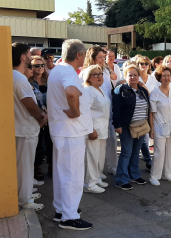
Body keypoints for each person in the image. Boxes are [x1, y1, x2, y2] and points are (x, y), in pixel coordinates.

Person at [47, 39, 93, 230]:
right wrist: (75, 112)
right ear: (79, 55)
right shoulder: (68, 71)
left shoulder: (58, 69)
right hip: (70, 132)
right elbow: (72, 93)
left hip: (62, 131)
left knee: (62, 174)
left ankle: (62, 210)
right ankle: (69, 217)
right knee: (72, 176)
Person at [12, 43, 47, 211]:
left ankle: (24, 194)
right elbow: (29, 104)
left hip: (22, 129)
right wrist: (42, 116)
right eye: (28, 54)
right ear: (22, 57)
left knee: (23, 166)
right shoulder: (19, 78)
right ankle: (24, 201)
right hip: (25, 130)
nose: (31, 58)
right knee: (25, 167)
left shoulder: (14, 76)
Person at [80, 46, 117, 176]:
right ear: (93, 57)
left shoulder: (106, 71)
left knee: (108, 143)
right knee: (93, 150)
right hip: (95, 116)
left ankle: (105, 170)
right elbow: (84, 104)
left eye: (103, 56)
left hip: (107, 111)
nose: (103, 59)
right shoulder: (86, 73)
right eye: (100, 57)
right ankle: (92, 178)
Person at [112, 65, 150, 190]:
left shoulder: (143, 90)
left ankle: (134, 175)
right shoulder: (120, 90)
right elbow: (116, 109)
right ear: (125, 76)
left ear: (139, 76)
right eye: (130, 75)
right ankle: (121, 180)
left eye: (135, 75)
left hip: (142, 126)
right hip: (126, 126)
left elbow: (148, 108)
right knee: (126, 152)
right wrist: (117, 125)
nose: (133, 77)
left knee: (135, 152)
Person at [83, 65, 111, 193]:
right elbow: (85, 111)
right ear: (89, 78)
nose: (99, 76)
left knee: (100, 156)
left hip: (103, 128)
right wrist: (90, 129)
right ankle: (90, 183)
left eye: (100, 74)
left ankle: (97, 177)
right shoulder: (88, 90)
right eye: (95, 74)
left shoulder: (101, 90)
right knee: (92, 156)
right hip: (93, 128)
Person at [29, 56, 53, 179]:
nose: (40, 68)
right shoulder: (28, 82)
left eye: (42, 65)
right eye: (36, 65)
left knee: (50, 141)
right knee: (38, 142)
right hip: (36, 116)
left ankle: (51, 165)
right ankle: (37, 166)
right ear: (31, 67)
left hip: (50, 115)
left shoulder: (49, 80)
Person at [137, 56, 158, 171]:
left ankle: (148, 160)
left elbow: (155, 95)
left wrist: (144, 87)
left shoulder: (153, 79)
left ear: (149, 66)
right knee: (142, 137)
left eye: (146, 63)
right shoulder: (134, 76)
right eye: (141, 63)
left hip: (151, 110)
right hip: (138, 111)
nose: (144, 65)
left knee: (147, 136)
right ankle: (148, 161)